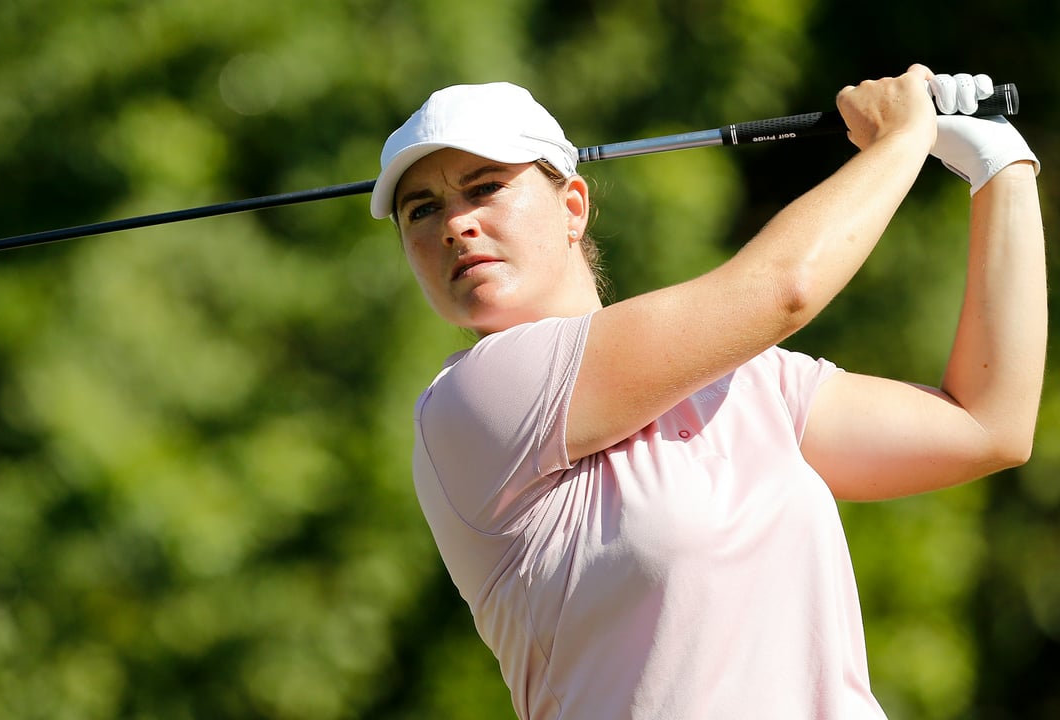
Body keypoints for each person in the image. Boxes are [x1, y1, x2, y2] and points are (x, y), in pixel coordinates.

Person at [369, 65, 1045, 719]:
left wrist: (1000, 167)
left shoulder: (752, 382)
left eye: (484, 188)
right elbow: (787, 289)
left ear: (572, 207)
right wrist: (904, 139)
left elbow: (988, 424)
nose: (455, 224)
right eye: (421, 209)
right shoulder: (471, 403)